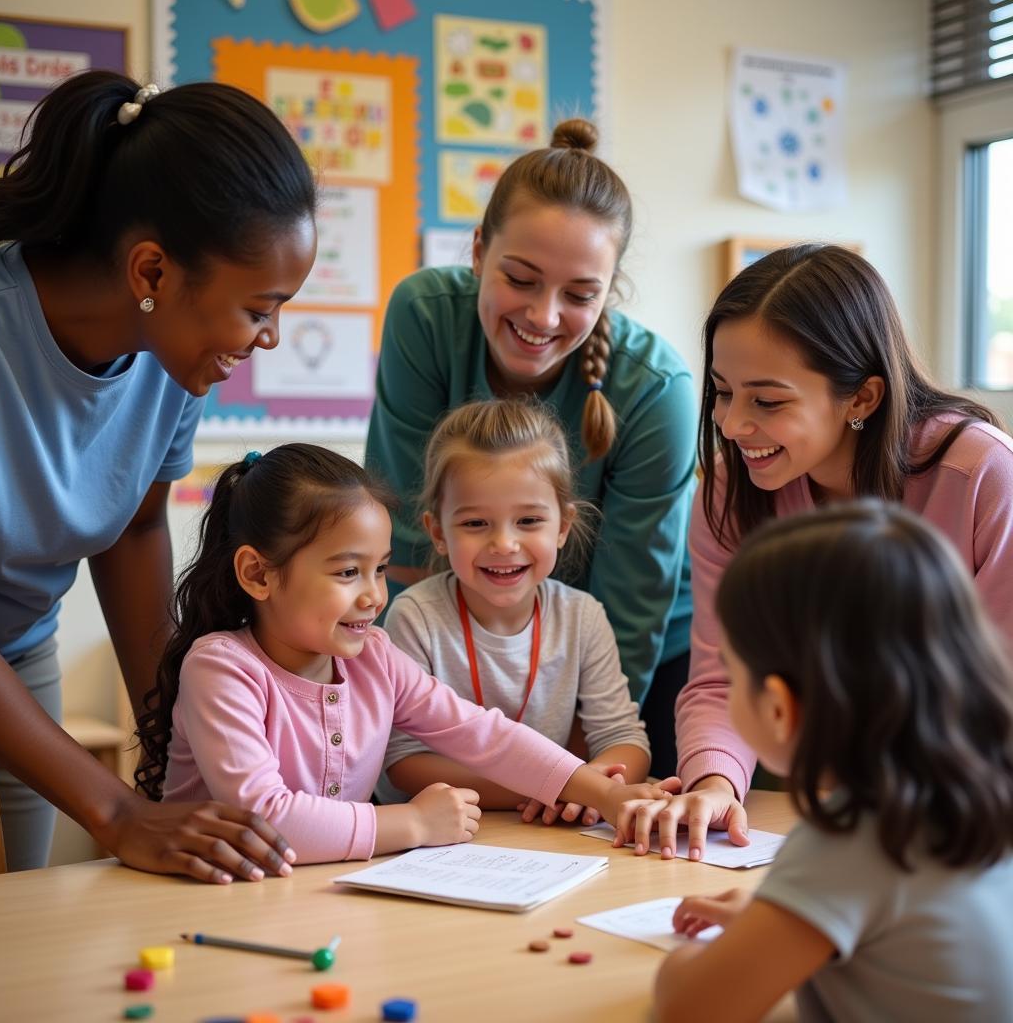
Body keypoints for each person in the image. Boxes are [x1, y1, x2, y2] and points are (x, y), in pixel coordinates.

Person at [0, 69, 319, 877]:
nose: (268, 338)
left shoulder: (173, 358)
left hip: (17, 664)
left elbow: (134, 526)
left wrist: (174, 743)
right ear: (150, 274)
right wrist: (116, 811)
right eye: (259, 308)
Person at [137, 444, 679, 864]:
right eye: (348, 572)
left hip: (313, 886)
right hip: (205, 896)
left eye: (380, 568)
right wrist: (412, 825)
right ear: (258, 573)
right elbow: (260, 815)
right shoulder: (221, 669)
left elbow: (483, 733)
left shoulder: (372, 656)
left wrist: (605, 796)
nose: (374, 594)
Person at [364, 119, 696, 779]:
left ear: (610, 289)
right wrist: (424, 699)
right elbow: (406, 536)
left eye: (579, 295)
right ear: (480, 249)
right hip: (456, 625)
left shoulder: (658, 391)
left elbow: (632, 604)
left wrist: (571, 765)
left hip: (616, 647)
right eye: (520, 278)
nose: (543, 317)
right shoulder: (425, 316)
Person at [664, 243, 1013, 858]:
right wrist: (715, 780)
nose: (732, 425)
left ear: (862, 398)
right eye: (722, 392)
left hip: (964, 811)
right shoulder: (729, 490)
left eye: (767, 401)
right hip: (832, 800)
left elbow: (996, 693)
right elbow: (722, 675)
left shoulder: (981, 474)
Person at [648, 502, 1013, 1021]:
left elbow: (690, 1008)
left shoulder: (851, 835)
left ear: (778, 707)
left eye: (732, 670)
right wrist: (778, 922)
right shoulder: (981, 789)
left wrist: (694, 959)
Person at [377, 398, 650, 825]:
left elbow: (624, 739)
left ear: (562, 526)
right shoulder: (415, 616)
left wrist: (590, 785)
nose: (504, 544)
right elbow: (404, 762)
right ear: (437, 532)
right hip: (441, 833)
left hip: (542, 830)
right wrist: (562, 786)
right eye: (475, 524)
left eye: (528, 521)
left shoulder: (582, 616)